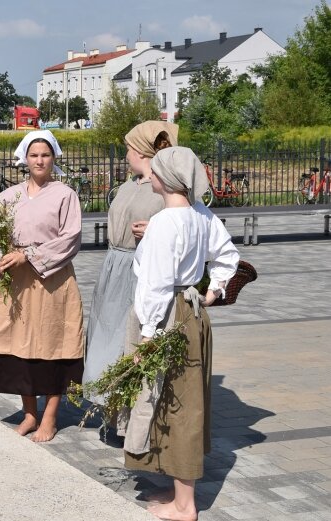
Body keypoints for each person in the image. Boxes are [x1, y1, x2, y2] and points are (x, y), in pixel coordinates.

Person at [124, 146, 239, 521]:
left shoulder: (164, 223)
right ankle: (176, 488)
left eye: (154, 171)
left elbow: (155, 286)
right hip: (191, 313)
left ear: (165, 178)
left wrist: (149, 335)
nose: (150, 176)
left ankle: (185, 505)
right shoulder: (200, 215)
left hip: (170, 317)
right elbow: (227, 256)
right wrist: (212, 290)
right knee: (180, 400)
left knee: (177, 404)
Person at [0, 130, 84, 443]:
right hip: (18, 284)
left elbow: (71, 237)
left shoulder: (65, 194)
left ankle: (50, 416)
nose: (40, 161)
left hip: (52, 281)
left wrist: (30, 255)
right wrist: (1, 260)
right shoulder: (8, 196)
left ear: (54, 158)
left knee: (55, 346)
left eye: (45, 155)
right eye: (34, 155)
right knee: (19, 346)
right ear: (25, 159)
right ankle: (29, 413)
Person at [82, 121, 178, 409]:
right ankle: (108, 400)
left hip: (140, 269)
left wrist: (155, 229)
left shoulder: (166, 187)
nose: (125, 156)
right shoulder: (128, 186)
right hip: (114, 267)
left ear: (141, 151)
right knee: (105, 334)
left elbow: (182, 224)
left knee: (130, 338)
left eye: (128, 149)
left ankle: (130, 408)